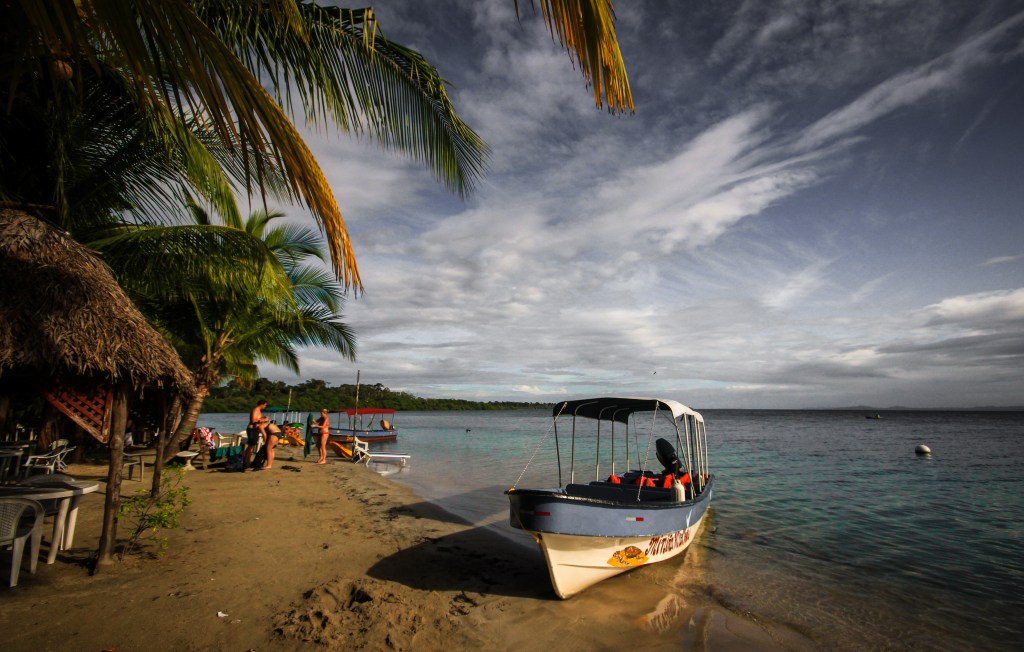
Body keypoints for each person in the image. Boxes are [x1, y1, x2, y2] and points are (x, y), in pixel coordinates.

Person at [245, 399, 269, 469]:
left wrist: (263, 418)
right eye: (265, 405)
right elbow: (253, 420)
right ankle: (247, 462)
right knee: (251, 446)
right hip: (252, 429)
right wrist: (264, 420)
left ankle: (247, 461)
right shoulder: (255, 410)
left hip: (255, 429)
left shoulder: (258, 411)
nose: (265, 407)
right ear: (262, 404)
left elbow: (257, 419)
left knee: (252, 445)